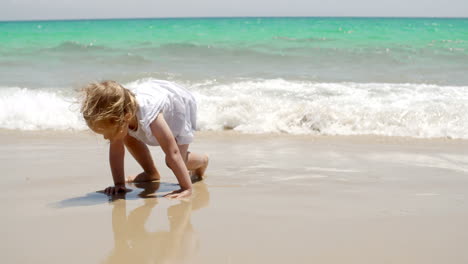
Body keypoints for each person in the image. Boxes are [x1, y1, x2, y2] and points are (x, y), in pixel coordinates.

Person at [80, 79, 209, 199]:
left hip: (179, 105)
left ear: (127, 117)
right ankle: (151, 173)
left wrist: (186, 188)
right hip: (153, 95)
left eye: (107, 133)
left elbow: (173, 152)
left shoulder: (152, 118)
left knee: (174, 160)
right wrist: (119, 184)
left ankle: (203, 161)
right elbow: (116, 153)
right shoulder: (121, 112)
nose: (105, 137)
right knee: (125, 136)